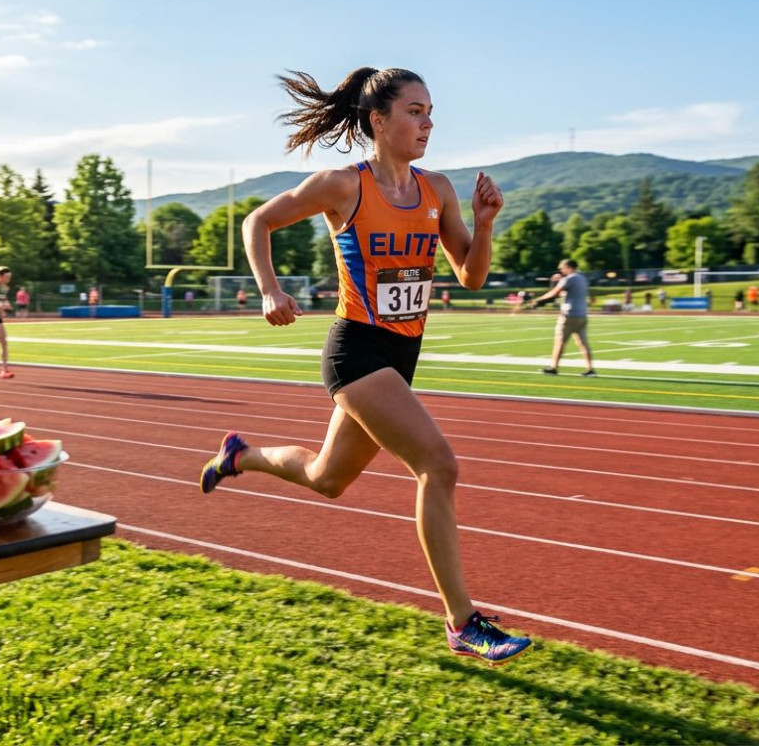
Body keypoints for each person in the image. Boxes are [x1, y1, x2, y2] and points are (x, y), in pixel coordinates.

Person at [197, 67, 532, 665]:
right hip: (356, 351)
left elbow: (472, 276)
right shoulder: (342, 186)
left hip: (402, 356)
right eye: (414, 111)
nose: (427, 122)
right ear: (378, 121)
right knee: (439, 466)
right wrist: (270, 290)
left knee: (328, 478)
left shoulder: (438, 190)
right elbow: (258, 222)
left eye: (431, 111)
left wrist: (484, 226)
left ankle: (238, 456)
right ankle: (463, 623)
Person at [529, 259, 594, 377]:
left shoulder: (568, 279)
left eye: (563, 268)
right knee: (583, 343)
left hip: (569, 315)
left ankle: (553, 367)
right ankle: (590, 369)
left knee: (559, 342)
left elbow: (554, 293)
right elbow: (563, 294)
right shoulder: (582, 278)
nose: (561, 270)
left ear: (569, 267)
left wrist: (538, 301)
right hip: (582, 315)